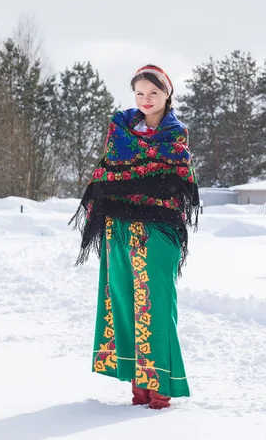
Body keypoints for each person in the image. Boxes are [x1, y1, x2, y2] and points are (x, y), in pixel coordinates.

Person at [70, 64, 199, 410]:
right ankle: (138, 385)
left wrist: (131, 183)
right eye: (140, 93)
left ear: (167, 95)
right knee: (124, 301)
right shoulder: (120, 130)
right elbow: (108, 172)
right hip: (119, 227)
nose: (146, 99)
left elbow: (175, 181)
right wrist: (132, 183)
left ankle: (161, 385)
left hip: (159, 229)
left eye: (153, 93)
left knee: (156, 304)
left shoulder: (176, 135)